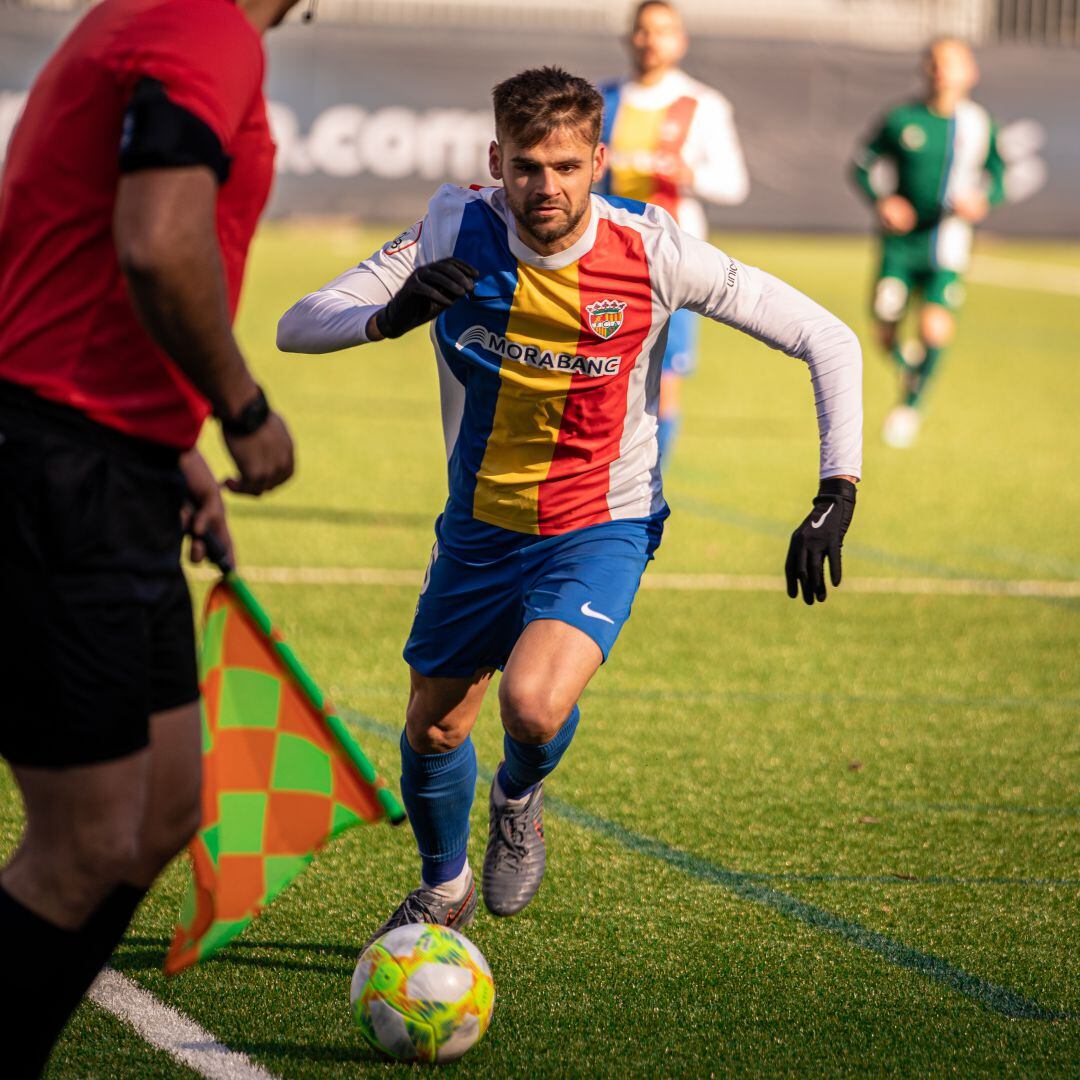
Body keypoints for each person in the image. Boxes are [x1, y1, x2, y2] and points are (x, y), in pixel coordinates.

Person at [277, 66, 860, 947]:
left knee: (533, 705)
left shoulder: (654, 251)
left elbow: (826, 335)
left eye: (563, 167)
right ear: (495, 160)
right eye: (523, 167)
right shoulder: (450, 225)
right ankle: (445, 887)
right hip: (477, 525)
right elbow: (299, 320)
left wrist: (836, 488)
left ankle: (518, 796)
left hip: (600, 522)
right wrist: (387, 316)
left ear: (598, 161)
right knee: (433, 730)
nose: (543, 188)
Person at [0, 0, 297, 1071]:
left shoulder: (153, 17)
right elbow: (158, 241)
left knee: (167, 804)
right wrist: (240, 408)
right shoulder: (200, 25)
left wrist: (169, 440)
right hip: (58, 463)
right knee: (84, 843)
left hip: (110, 456)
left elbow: (61, 249)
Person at [597, 0, 749, 461]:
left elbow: (734, 183)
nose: (651, 40)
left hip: (675, 260)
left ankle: (648, 490)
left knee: (665, 380)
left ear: (680, 41)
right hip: (608, 256)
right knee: (603, 375)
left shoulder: (702, 104)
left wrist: (690, 175)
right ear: (629, 38)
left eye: (662, 31)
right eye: (643, 30)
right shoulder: (602, 100)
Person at [852, 37, 1006, 448]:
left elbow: (997, 174)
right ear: (925, 69)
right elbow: (862, 164)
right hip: (900, 245)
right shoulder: (902, 119)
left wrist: (982, 200)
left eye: (952, 63)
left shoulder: (978, 124)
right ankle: (908, 366)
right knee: (884, 328)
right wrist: (883, 200)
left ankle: (910, 406)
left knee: (934, 327)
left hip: (947, 242)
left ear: (971, 72)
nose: (942, 71)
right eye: (935, 63)